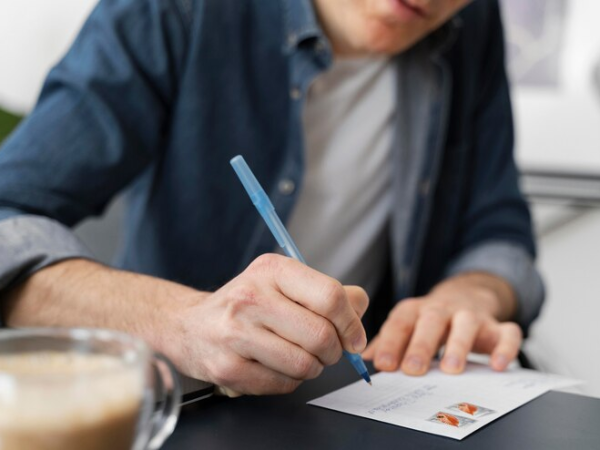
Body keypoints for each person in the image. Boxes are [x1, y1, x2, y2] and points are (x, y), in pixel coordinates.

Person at [0, 0, 543, 396]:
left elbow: (497, 227)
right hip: (185, 406)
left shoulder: (469, 21)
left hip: (366, 399)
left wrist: (469, 297)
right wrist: (183, 321)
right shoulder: (173, 10)